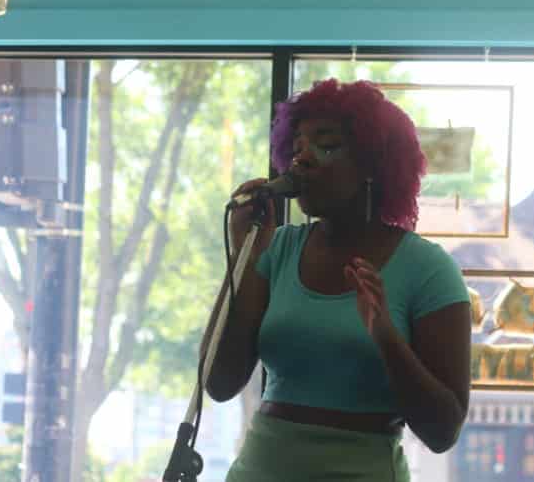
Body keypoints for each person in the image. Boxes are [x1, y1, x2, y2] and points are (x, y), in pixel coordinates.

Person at [202, 78, 472, 482]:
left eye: (326, 145)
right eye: (296, 149)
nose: (302, 160)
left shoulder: (428, 269)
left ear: (373, 164)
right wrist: (243, 256)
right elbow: (218, 383)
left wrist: (385, 337)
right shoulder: (277, 249)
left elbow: (442, 431)